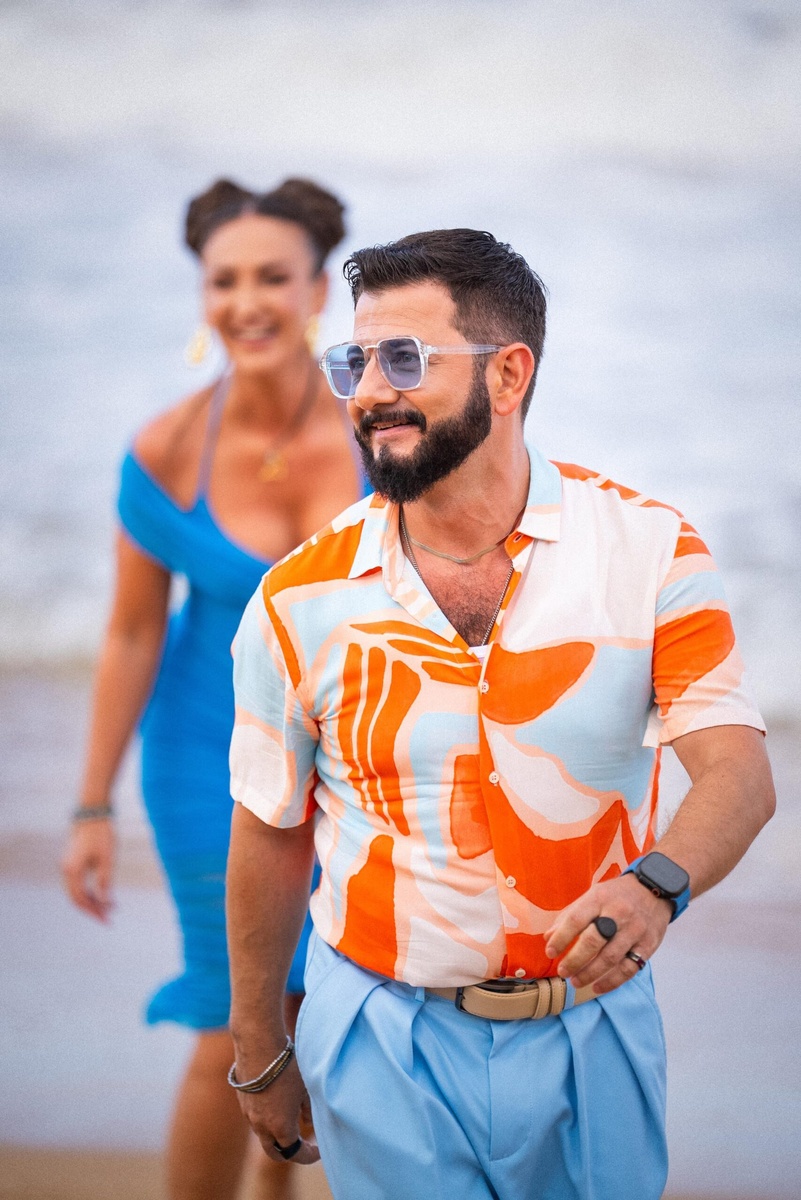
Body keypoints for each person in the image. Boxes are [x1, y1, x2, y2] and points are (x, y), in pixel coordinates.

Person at [225, 228, 775, 1200]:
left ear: (508, 374)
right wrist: (259, 1046)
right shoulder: (296, 599)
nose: (368, 393)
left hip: (593, 1031)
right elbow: (270, 830)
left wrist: (654, 889)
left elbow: (739, 775)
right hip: (379, 1032)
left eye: (405, 359)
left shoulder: (650, 553)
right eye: (354, 362)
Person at [62, 176, 364, 1200]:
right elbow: (132, 632)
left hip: (358, 756)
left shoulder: (382, 430)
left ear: (317, 289)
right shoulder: (167, 449)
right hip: (208, 756)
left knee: (326, 1007)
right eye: (223, 280)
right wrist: (92, 806)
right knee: (234, 1021)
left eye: (273, 277)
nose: (247, 302)